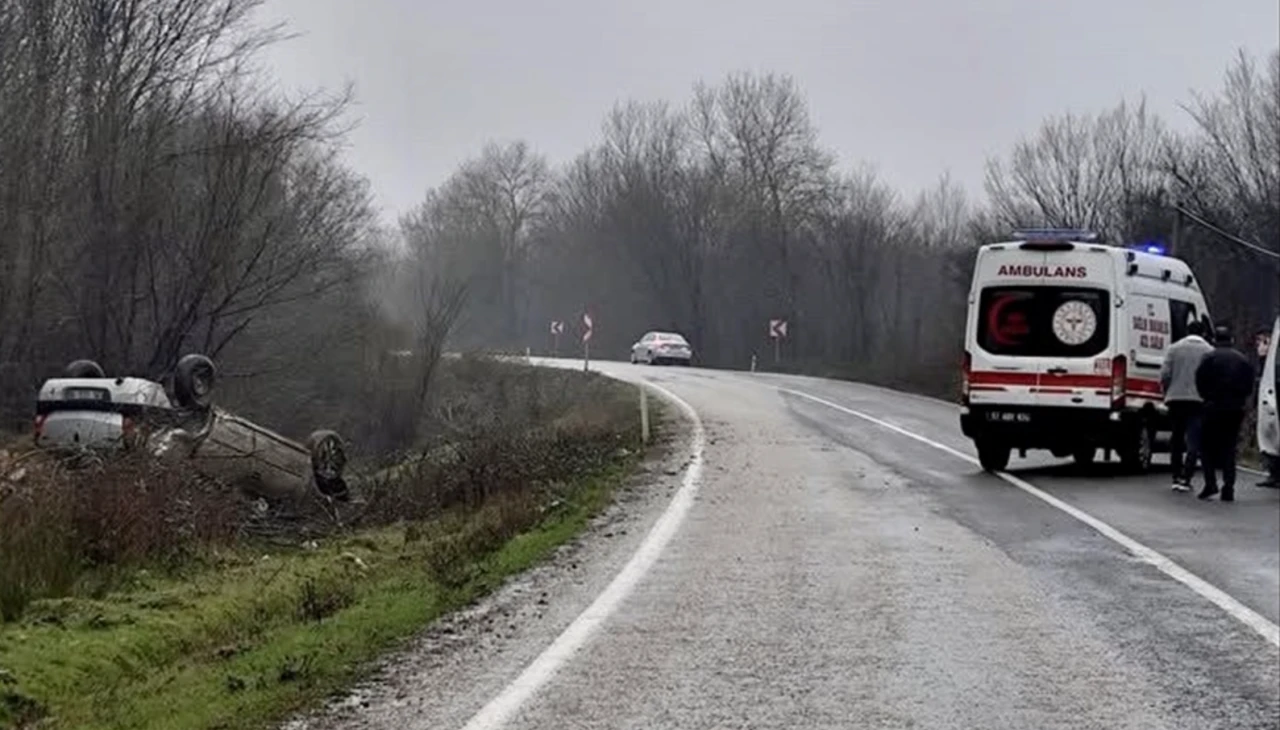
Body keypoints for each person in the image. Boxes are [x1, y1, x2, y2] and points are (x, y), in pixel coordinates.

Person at [1194, 325, 1256, 502]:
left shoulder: (1208, 358)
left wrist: (1206, 397)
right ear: (1232, 340)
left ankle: (1210, 483)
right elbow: (1249, 385)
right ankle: (1228, 486)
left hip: (1212, 407)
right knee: (1229, 447)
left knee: (1206, 447)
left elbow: (1199, 380)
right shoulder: (1242, 360)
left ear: (1214, 340)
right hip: (1234, 408)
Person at [1161, 320, 1212, 491]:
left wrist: (1167, 391)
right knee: (1193, 439)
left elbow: (1165, 374)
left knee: (1176, 437)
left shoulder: (1174, 348)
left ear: (1186, 331)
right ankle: (1186, 477)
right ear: (1203, 332)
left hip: (1175, 398)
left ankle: (1175, 475)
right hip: (1198, 400)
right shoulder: (1209, 351)